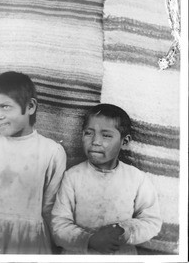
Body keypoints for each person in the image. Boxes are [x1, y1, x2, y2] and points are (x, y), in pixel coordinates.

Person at [0, 71, 66, 254]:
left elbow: (49, 206)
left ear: (30, 106)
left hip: (27, 240)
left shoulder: (52, 151)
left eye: (5, 106)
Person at [51, 103, 162, 254]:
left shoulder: (137, 179)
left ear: (124, 141)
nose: (95, 141)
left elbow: (151, 221)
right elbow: (58, 224)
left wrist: (124, 232)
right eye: (89, 133)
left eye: (106, 135)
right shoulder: (72, 177)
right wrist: (89, 240)